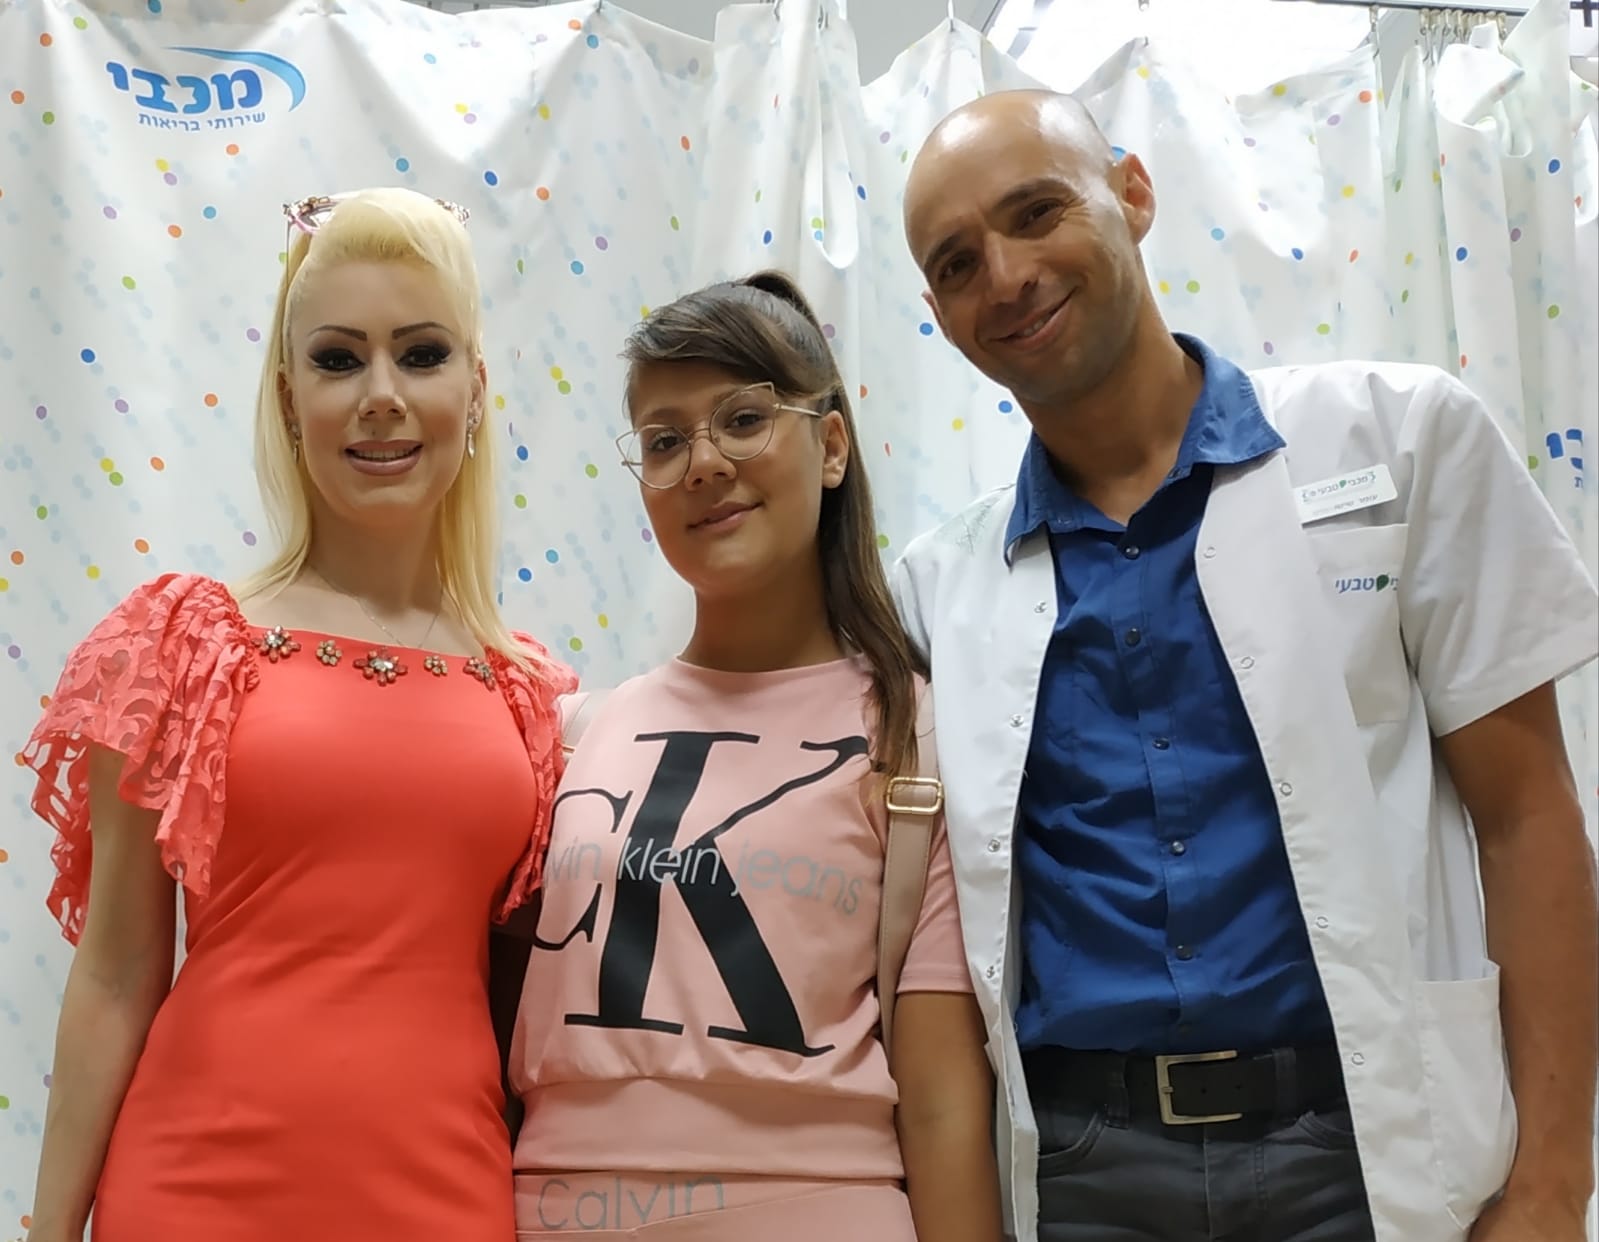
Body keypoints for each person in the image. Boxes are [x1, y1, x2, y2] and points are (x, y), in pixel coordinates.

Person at [892, 89, 1599, 1242]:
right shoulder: (936, 589)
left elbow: (1529, 817)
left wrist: (1553, 1187)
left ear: (1132, 192)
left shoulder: (1398, 439)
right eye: (959, 263)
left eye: (1036, 212)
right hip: (1084, 1175)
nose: (1007, 276)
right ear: (937, 312)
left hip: (1365, 1150)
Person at [21, 187, 575, 1242]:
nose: (381, 395)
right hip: (194, 1194)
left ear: (475, 388)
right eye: (338, 359)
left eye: (421, 354)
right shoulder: (181, 643)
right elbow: (116, 972)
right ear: (286, 397)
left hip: (448, 1197)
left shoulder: (530, 697)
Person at [504, 271, 1004, 1242]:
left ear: (832, 445)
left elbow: (944, 1103)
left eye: (743, 420)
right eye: (663, 440)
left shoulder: (918, 735)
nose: (703, 463)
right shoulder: (570, 734)